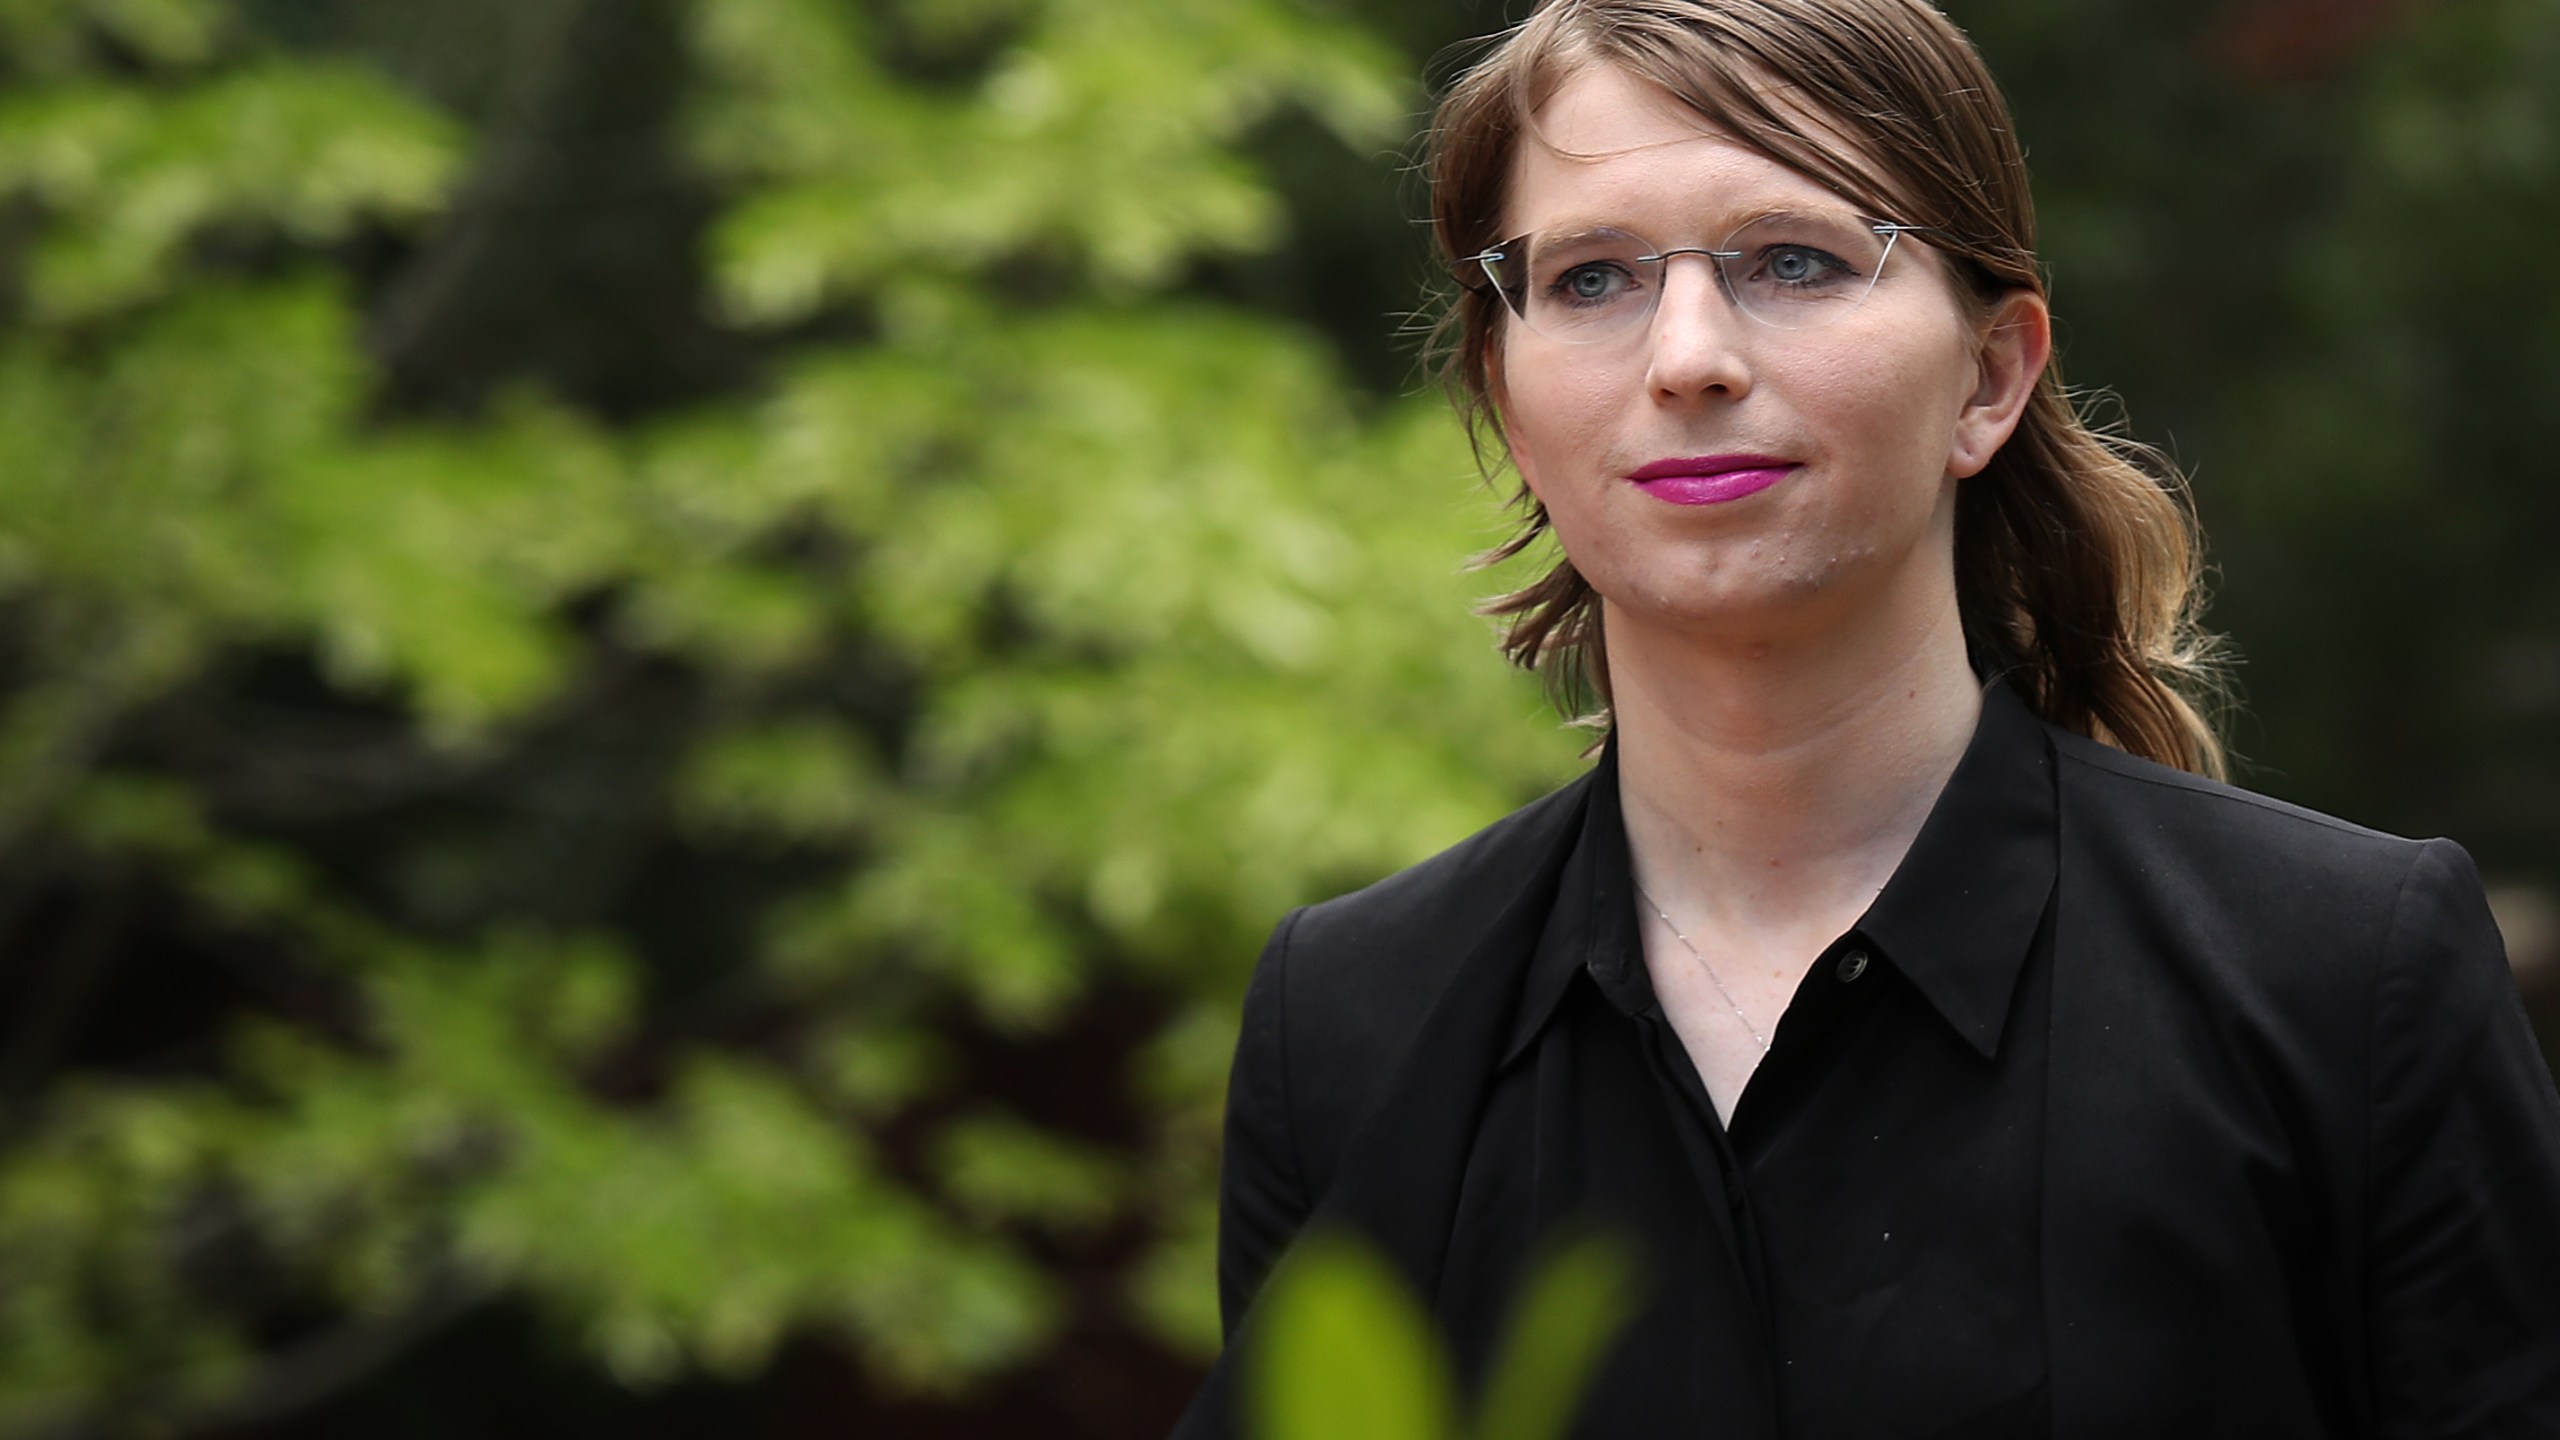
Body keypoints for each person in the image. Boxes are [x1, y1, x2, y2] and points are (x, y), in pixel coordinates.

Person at [1172, 0, 2560, 1435]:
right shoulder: (1349, 1024)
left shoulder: (2347, 977)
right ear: (1510, 405)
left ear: (1991, 375)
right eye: (1592, 279)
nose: (1688, 357)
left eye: (1793, 261)